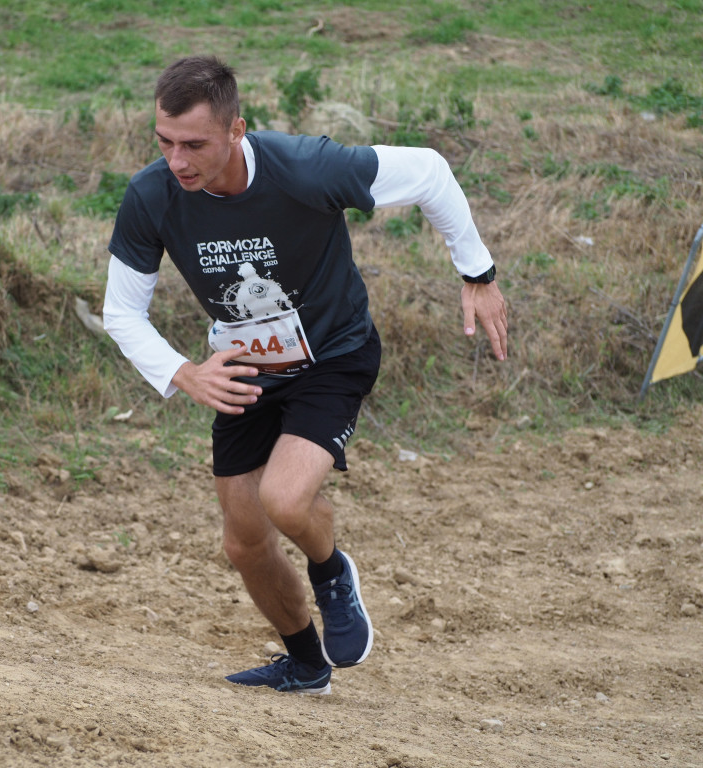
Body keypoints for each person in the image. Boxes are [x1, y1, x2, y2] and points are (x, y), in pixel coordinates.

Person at [102, 55, 508, 695]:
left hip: (333, 356)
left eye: (194, 145)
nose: (177, 161)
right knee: (243, 543)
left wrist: (477, 274)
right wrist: (185, 373)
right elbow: (122, 311)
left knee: (285, 500)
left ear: (238, 131)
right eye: (165, 142)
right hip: (244, 370)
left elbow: (430, 171)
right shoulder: (152, 196)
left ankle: (330, 568)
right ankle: (305, 663)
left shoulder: (306, 168)